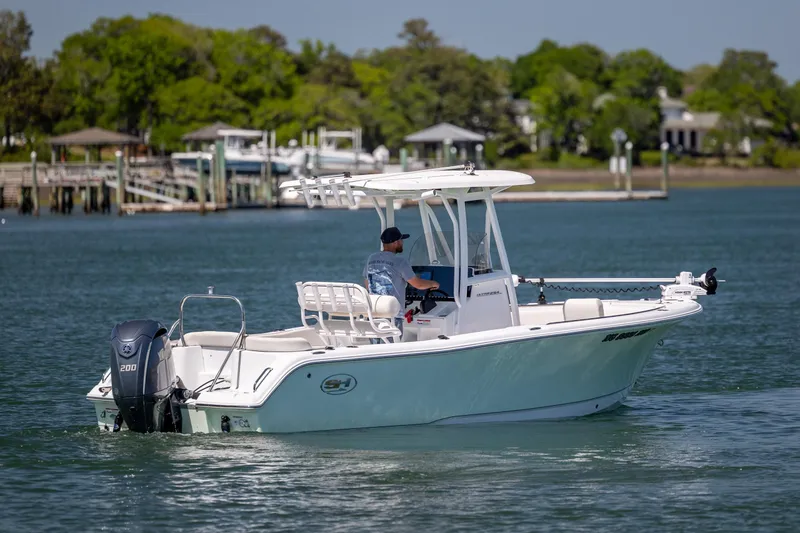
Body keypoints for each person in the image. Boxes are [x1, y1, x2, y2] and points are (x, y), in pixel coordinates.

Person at [363, 227, 439, 340]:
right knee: (389, 349)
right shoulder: (400, 262)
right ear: (395, 242)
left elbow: (367, 283)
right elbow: (418, 284)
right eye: (401, 240)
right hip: (392, 315)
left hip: (374, 313)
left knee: (376, 347)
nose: (402, 243)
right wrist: (433, 283)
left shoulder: (371, 258)